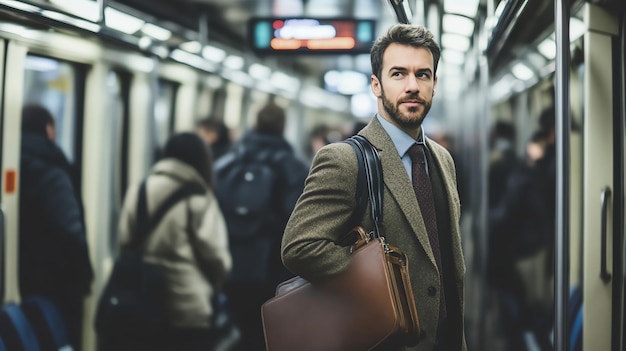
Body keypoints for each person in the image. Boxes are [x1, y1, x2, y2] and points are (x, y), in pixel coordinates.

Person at [281, 24, 466, 351]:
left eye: (422, 75)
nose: (412, 86)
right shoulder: (344, 160)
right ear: (376, 85)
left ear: (435, 84)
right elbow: (300, 246)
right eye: (398, 74)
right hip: (383, 340)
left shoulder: (442, 159)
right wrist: (380, 280)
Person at [110, 132, 232, 351]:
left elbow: (124, 240)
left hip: (142, 301)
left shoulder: (139, 190)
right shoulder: (200, 198)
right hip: (188, 308)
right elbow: (216, 256)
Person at [215, 101, 309, 351]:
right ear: (283, 127)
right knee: (268, 335)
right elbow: (298, 222)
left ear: (254, 123)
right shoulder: (294, 168)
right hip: (272, 272)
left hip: (232, 265)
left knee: (242, 330)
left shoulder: (227, 163)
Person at [19, 104, 94, 351]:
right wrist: (84, 275)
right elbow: (70, 228)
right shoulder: (52, 167)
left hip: (23, 277)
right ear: (49, 130)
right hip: (55, 282)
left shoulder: (13, 158)